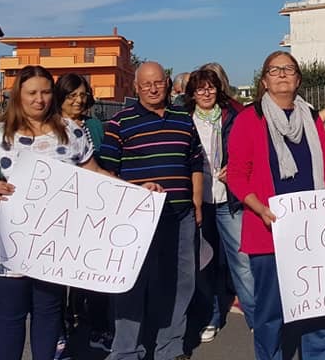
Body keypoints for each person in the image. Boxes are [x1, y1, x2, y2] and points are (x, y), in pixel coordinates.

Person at [227, 51, 325, 360]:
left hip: (313, 233)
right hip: (267, 230)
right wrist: (259, 208)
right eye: (275, 70)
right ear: (264, 81)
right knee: (271, 313)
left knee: (319, 309)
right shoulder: (249, 118)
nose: (282, 74)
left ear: (298, 79)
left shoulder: (310, 118)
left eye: (289, 69)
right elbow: (236, 175)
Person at [0, 65, 114, 360]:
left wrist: (140, 192)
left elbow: (95, 175)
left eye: (45, 92)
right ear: (19, 95)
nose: (39, 99)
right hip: (7, 247)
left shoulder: (72, 132)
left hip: (54, 247)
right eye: (32, 93)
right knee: (10, 318)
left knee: (48, 315)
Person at [100, 62, 204, 360]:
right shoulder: (120, 123)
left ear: (168, 83)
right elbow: (107, 172)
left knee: (180, 282)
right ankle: (126, 351)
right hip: (137, 220)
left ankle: (169, 347)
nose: (153, 88)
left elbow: (195, 162)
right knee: (131, 284)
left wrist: (196, 201)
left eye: (158, 82)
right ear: (136, 88)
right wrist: (138, 189)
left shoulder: (184, 118)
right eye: (146, 84)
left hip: (180, 215)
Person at [184, 66, 255, 341]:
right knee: (205, 263)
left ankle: (255, 315)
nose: (206, 92)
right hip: (197, 201)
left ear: (218, 89)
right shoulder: (183, 119)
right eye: (200, 88)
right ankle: (212, 316)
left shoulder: (233, 116)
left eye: (210, 87)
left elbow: (247, 150)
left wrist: (234, 166)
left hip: (228, 199)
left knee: (242, 260)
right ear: (192, 92)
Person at [54, 73, 114, 354]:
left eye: (82, 95)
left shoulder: (94, 125)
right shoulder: (49, 127)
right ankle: (61, 326)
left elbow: (104, 162)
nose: (78, 100)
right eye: (71, 95)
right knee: (58, 278)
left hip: (93, 211)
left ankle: (99, 326)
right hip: (60, 214)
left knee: (93, 272)